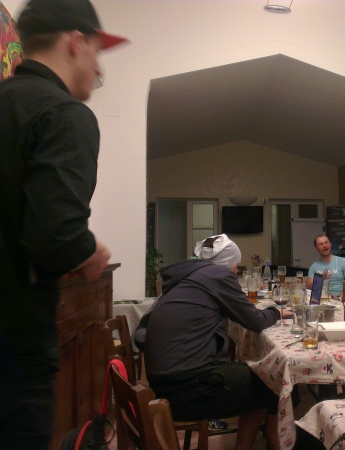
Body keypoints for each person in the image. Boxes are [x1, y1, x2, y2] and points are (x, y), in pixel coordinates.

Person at [0, 1, 126, 447]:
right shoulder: (63, 113)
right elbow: (55, 236)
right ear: (75, 42)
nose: (98, 67)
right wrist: (90, 251)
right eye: (96, 51)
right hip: (13, 343)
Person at [144, 234, 288, 450]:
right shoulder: (217, 275)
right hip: (185, 388)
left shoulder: (189, 277)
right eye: (235, 265)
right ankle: (270, 443)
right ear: (226, 263)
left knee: (258, 373)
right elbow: (255, 321)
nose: (236, 271)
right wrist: (276, 312)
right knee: (271, 380)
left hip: (164, 381)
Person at [306, 235, 345, 299]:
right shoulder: (314, 266)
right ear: (316, 248)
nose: (324, 245)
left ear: (330, 244)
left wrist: (339, 298)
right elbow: (308, 287)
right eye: (321, 244)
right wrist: (320, 278)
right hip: (321, 300)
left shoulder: (343, 261)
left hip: (340, 301)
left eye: (326, 242)